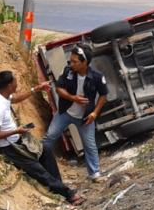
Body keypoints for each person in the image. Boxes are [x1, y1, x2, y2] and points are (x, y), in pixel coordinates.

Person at [0, 71, 84, 205]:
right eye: (15, 81)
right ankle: (69, 194)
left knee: (45, 150)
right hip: (10, 148)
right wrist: (16, 130)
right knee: (39, 171)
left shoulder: (4, 97)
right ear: (10, 85)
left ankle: (59, 187)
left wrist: (36, 88)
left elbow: (15, 99)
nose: (17, 83)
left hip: (18, 140)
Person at [43, 44, 108, 182]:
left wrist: (95, 113)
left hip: (85, 118)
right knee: (49, 138)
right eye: (70, 60)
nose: (70, 63)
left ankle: (95, 174)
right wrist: (73, 98)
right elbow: (59, 88)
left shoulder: (97, 77)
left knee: (90, 145)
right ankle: (40, 165)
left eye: (74, 61)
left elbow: (103, 95)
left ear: (84, 62)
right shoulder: (68, 71)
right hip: (65, 112)